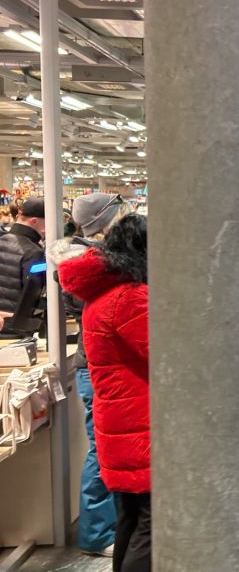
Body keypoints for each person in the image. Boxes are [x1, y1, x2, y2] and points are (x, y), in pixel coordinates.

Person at [57, 215, 151, 572]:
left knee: (130, 517)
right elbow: (168, 355)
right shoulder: (130, 297)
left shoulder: (104, 294)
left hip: (123, 420)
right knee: (151, 524)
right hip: (141, 423)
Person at [51, 192, 132, 558]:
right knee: (103, 450)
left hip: (105, 365)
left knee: (110, 450)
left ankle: (111, 527)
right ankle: (98, 535)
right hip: (101, 367)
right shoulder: (88, 263)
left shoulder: (92, 259)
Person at [0, 197, 45, 317]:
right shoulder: (34, 252)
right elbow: (33, 296)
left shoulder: (2, 240)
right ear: (34, 221)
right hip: (17, 327)